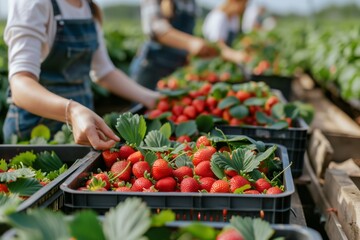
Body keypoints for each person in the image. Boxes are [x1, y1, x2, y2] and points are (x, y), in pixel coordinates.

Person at [3, 0, 160, 150]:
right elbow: (20, 84)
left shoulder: (88, 6)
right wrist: (71, 111)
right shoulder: (34, 3)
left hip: (84, 127)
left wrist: (151, 98)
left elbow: (104, 71)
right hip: (35, 133)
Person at [129, 0, 220, 91]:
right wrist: (191, 43)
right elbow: (157, 29)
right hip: (153, 67)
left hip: (177, 69)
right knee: (144, 101)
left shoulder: (190, 2)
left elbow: (188, 32)